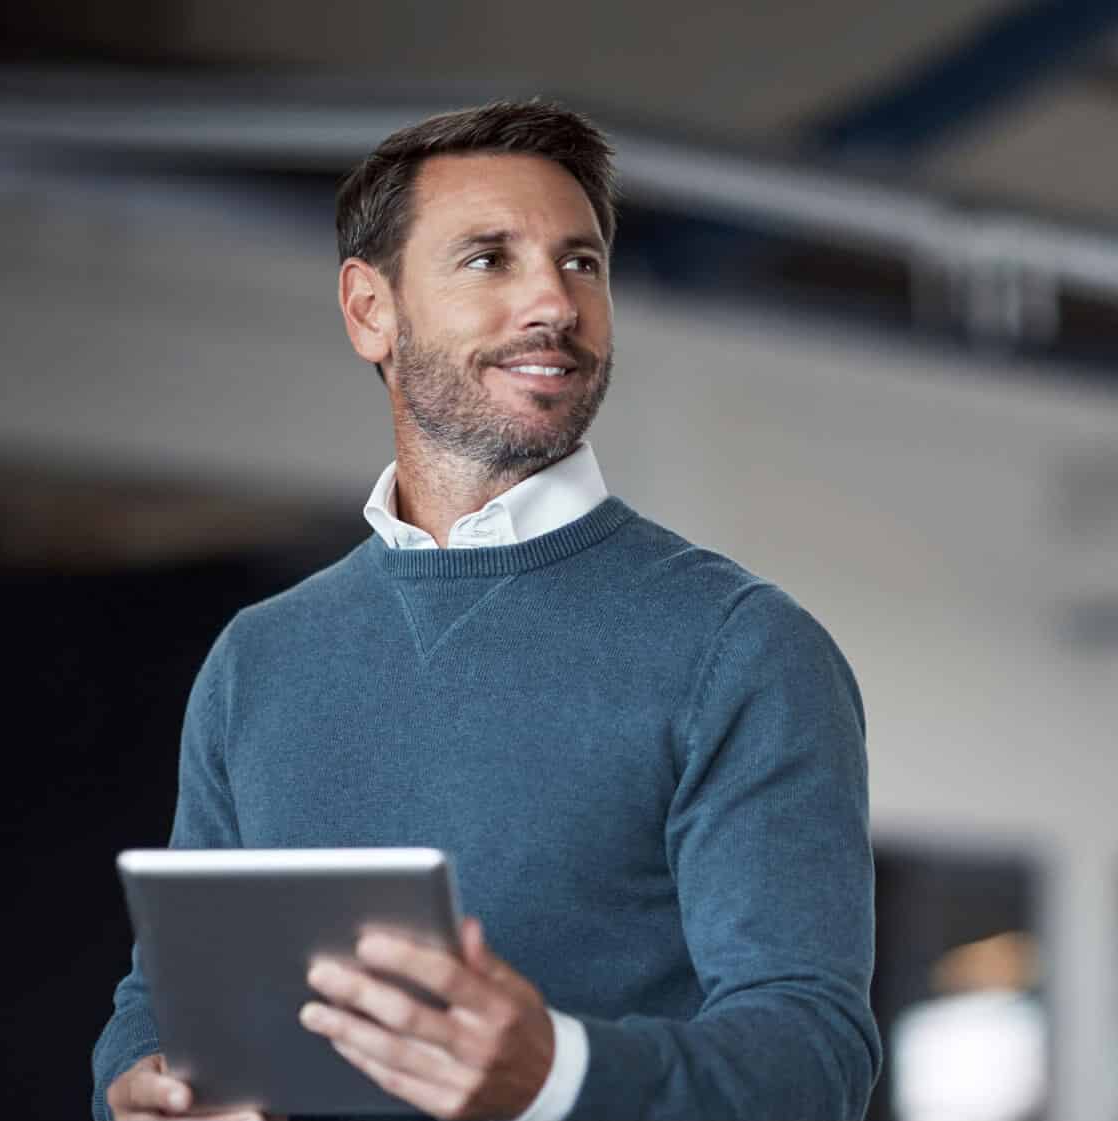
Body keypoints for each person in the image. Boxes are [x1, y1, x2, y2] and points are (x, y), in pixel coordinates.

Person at [90, 100, 880, 1121]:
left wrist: (557, 1076)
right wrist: (138, 1088)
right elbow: (160, 993)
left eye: (581, 262)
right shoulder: (261, 658)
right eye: (488, 259)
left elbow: (811, 1059)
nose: (552, 299)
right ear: (370, 308)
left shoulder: (741, 648)